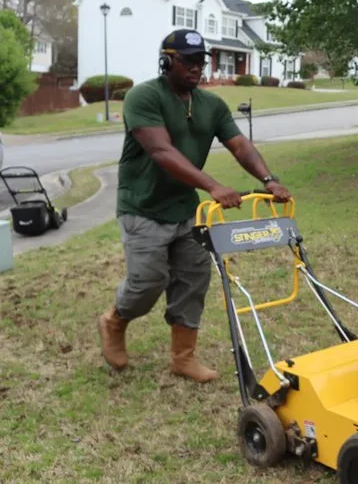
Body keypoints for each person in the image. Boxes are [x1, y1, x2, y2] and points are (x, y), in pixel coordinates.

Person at [96, 28, 291, 383]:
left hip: (186, 209)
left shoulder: (210, 105)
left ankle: (183, 358)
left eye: (201, 61)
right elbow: (161, 151)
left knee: (193, 279)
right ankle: (114, 320)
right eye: (187, 61)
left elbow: (239, 145)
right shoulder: (143, 97)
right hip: (143, 207)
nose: (196, 68)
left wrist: (269, 179)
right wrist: (213, 185)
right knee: (148, 282)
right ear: (166, 61)